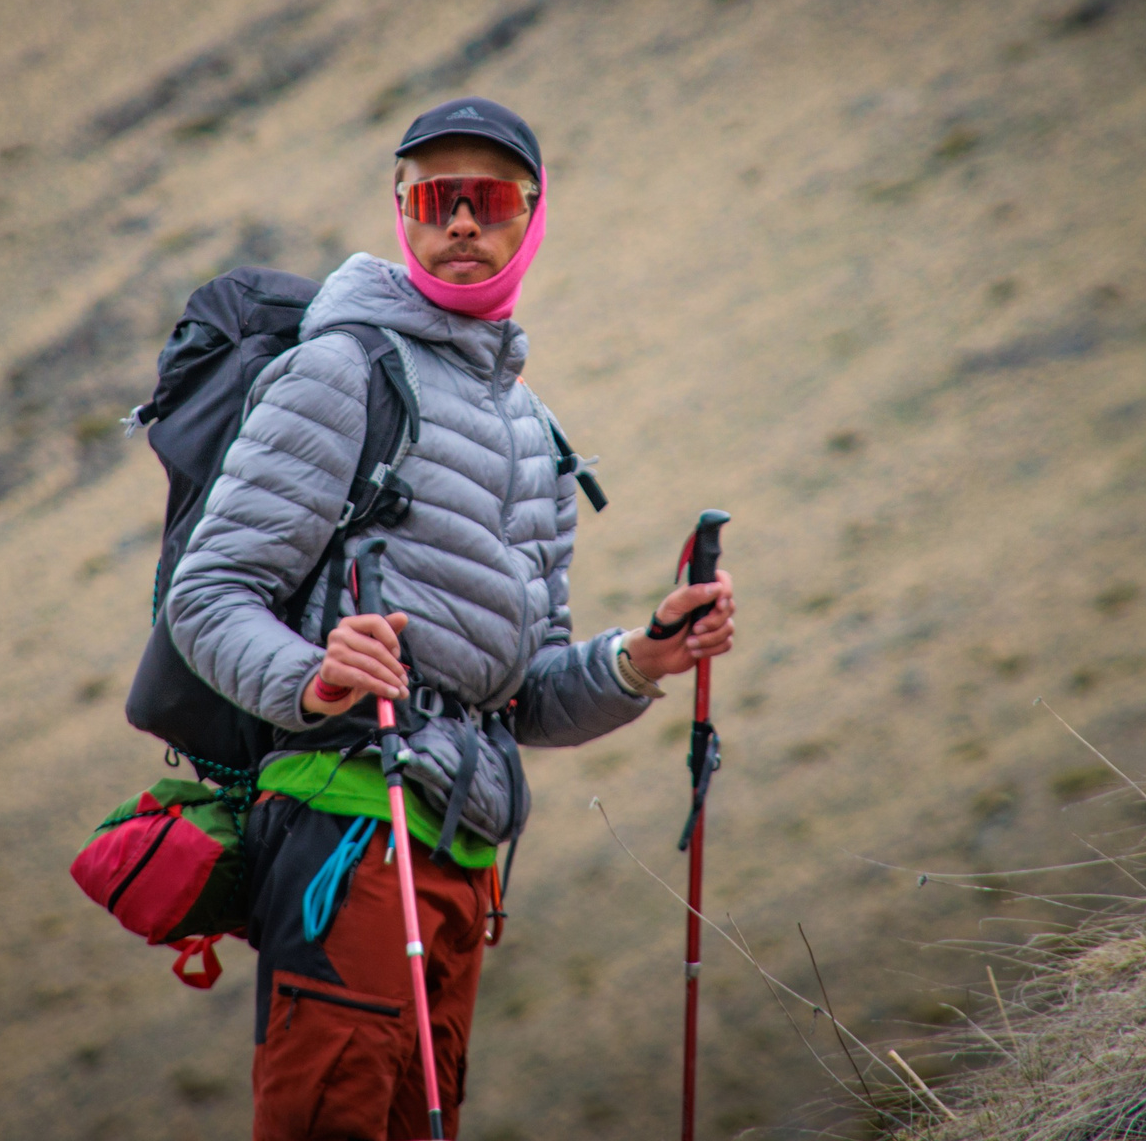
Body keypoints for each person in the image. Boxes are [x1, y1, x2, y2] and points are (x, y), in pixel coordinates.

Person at [166, 96, 737, 1139]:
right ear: (403, 214)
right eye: (436, 199)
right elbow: (206, 597)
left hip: (463, 854)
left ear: (532, 217)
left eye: (490, 199)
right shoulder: (340, 371)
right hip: (345, 822)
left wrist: (643, 656)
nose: (462, 222)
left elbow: (516, 695)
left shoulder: (535, 433)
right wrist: (311, 676)